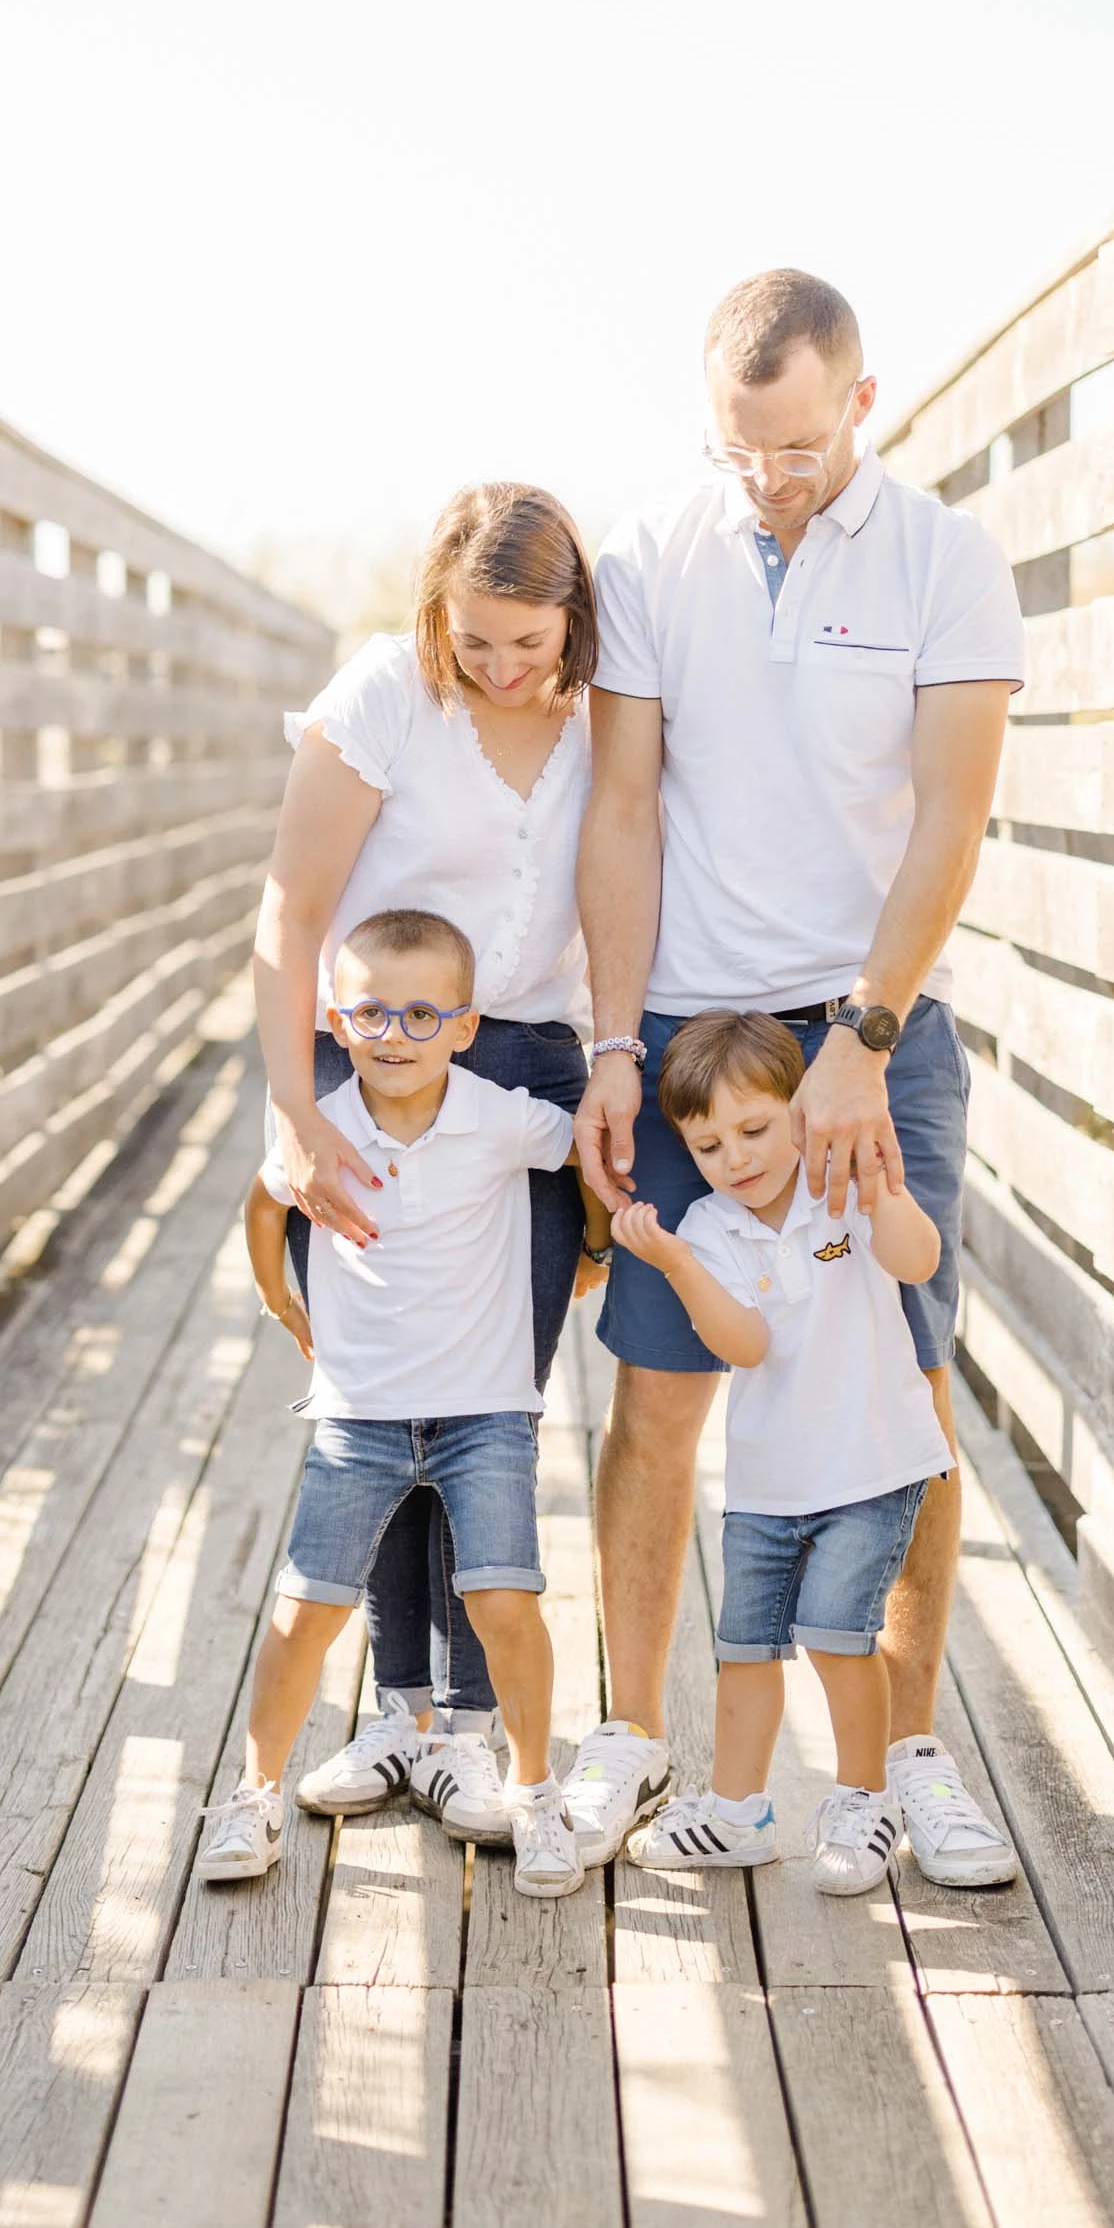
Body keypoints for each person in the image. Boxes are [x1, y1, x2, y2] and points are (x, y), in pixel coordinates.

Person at [568, 268, 1026, 1884]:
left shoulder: (945, 560)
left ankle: (907, 1763)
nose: (768, 478)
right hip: (688, 1037)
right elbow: (622, 811)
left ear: (863, 402)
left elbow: (952, 819)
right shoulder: (649, 556)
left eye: (799, 447)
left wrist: (862, 1038)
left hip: (870, 1028)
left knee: (902, 1397)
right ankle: (634, 1736)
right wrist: (610, 1045)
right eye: (739, 448)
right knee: (658, 1398)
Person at [251, 482, 605, 1846]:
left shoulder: (611, 710)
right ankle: (396, 1713)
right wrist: (297, 1108)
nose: (504, 668)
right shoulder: (389, 693)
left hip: (529, 1075)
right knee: (383, 1384)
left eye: (531, 642)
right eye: (477, 642)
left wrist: (618, 1060)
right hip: (380, 1060)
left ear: (574, 617)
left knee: (485, 1402)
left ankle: (467, 1728)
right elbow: (291, 910)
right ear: (435, 618)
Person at [201, 908, 583, 1900]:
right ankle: (252, 1794)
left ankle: (535, 1793)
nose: (396, 1036)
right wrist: (281, 1300)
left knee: (504, 1599)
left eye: (424, 1015)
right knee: (304, 1610)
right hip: (358, 1418)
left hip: (483, 1414)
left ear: (465, 1026)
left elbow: (586, 1153)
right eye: (370, 1014)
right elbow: (265, 1202)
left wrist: (593, 1255)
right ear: (337, 1020)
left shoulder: (498, 1116)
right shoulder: (322, 1126)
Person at [608, 1014, 950, 1889]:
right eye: (709, 1145)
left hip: (870, 1466)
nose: (737, 1158)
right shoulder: (709, 1228)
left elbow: (917, 1262)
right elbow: (746, 1345)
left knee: (838, 1637)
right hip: (767, 1482)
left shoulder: (841, 1183)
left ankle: (865, 1800)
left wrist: (880, 1188)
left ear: (800, 1111)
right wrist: (678, 1265)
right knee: (745, 1649)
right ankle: (737, 1813)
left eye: (755, 1129)